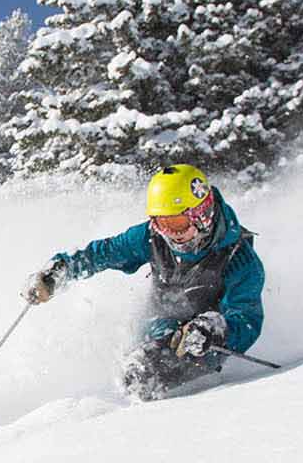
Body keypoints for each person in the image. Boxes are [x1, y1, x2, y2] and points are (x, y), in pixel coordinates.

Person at [23, 165, 265, 401]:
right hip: (158, 323)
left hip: (199, 345)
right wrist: (60, 272)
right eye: (163, 224)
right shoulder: (151, 237)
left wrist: (215, 329)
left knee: (143, 372)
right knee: (135, 355)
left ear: (202, 214)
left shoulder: (238, 258)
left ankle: (138, 419)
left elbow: (247, 319)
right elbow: (104, 253)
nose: (173, 234)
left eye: (178, 223)